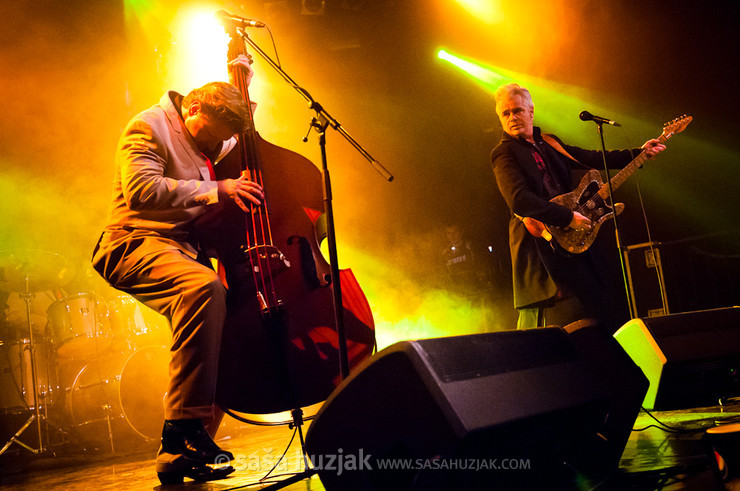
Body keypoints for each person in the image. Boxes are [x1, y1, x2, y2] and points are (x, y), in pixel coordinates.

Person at [91, 55, 264, 485]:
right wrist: (218, 187)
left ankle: (180, 450)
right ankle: (182, 429)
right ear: (191, 109)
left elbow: (231, 138)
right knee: (203, 289)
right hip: (133, 242)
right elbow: (143, 191)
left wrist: (240, 81)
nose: (215, 149)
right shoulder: (147, 126)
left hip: (182, 248)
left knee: (228, 328)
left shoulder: (208, 132)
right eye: (212, 139)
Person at [490, 83, 666, 333]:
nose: (512, 117)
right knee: (560, 318)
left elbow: (590, 157)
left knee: (603, 302)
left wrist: (639, 153)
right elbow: (519, 199)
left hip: (574, 236)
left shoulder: (548, 142)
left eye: (517, 110)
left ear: (531, 111)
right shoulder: (504, 153)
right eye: (505, 113)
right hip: (541, 244)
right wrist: (566, 217)